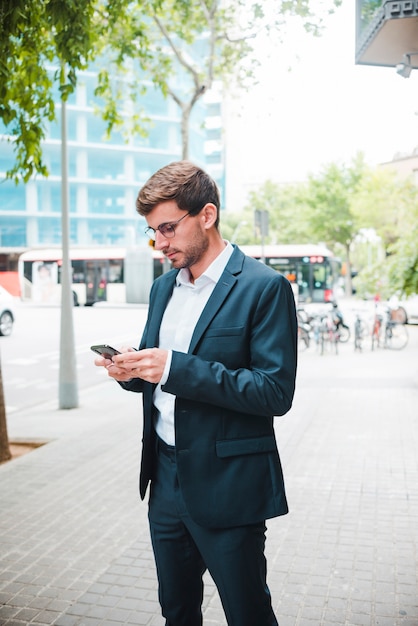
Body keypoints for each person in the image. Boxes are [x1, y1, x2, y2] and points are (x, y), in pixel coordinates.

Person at [94, 161, 298, 626]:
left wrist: (176, 367)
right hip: (164, 480)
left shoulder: (264, 288)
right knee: (177, 610)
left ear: (206, 215)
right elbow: (160, 372)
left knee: (247, 613)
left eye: (167, 228)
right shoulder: (163, 287)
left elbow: (274, 392)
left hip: (229, 485)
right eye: (153, 233)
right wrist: (129, 369)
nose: (160, 244)